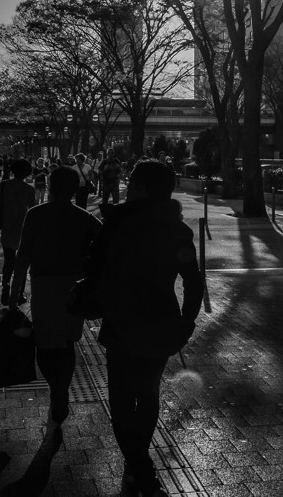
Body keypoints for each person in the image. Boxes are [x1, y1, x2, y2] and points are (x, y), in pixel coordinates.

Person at [86, 159, 203, 497]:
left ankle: (140, 466)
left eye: (132, 182)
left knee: (122, 399)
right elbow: (193, 283)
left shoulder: (118, 224)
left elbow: (93, 271)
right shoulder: (176, 230)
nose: (127, 186)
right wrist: (187, 321)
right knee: (148, 394)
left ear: (141, 188)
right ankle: (138, 461)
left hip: (121, 321)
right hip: (162, 320)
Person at [12, 166, 102, 431]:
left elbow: (23, 257)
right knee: (67, 342)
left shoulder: (36, 215)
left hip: (44, 285)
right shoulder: (84, 217)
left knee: (45, 341)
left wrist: (15, 292)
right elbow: (106, 244)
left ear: (50, 186)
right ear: (75, 189)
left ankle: (57, 389)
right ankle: (62, 388)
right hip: (75, 287)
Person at [0, 158, 37, 307]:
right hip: (23, 227)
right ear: (27, 172)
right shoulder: (29, 189)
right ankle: (19, 293)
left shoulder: (3, 185)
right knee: (23, 262)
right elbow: (33, 210)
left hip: (7, 226)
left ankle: (5, 285)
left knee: (9, 261)